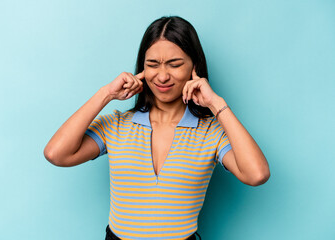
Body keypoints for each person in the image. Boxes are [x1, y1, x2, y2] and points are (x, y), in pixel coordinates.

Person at [44, 16, 270, 240]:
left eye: (175, 64)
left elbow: (257, 174)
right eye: (152, 64)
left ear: (194, 66)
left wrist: (216, 104)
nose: (162, 76)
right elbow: (56, 154)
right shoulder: (116, 124)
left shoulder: (212, 132)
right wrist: (107, 94)